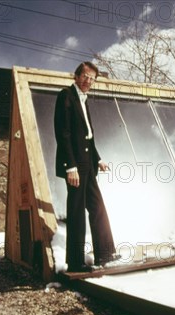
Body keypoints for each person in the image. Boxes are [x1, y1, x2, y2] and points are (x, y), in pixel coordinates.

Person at [54, 61, 115, 272]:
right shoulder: (66, 96)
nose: (88, 81)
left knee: (97, 207)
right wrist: (70, 166)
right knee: (77, 212)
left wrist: (97, 159)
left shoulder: (84, 100)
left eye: (92, 79)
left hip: (88, 163)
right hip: (75, 164)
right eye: (85, 77)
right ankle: (76, 263)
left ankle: (105, 255)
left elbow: (88, 136)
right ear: (76, 76)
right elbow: (63, 133)